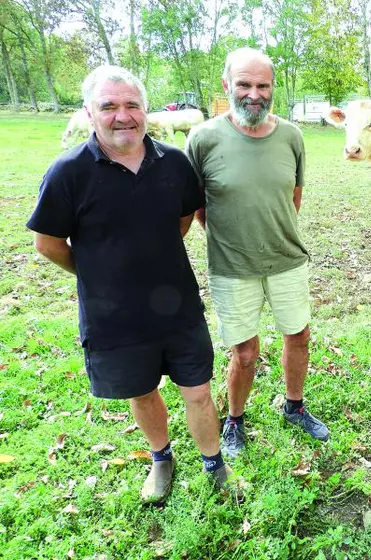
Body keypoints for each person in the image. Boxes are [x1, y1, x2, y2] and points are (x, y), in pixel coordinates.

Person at [26, 65, 235, 504]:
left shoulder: (174, 163)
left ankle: (214, 463)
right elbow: (47, 243)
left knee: (197, 390)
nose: (123, 116)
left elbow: (183, 219)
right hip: (112, 315)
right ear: (89, 112)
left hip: (177, 305)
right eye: (109, 106)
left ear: (145, 109)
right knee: (141, 391)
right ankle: (161, 458)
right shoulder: (68, 173)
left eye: (132, 105)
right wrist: (98, 271)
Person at [186, 47, 330, 458]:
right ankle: (234, 420)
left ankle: (295, 406)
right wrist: (233, 238)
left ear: (272, 88)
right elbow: (197, 206)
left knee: (298, 335)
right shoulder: (204, 138)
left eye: (262, 85)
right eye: (244, 84)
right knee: (245, 353)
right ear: (227, 85)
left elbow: (293, 197)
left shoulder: (292, 136)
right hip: (232, 267)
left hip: (286, 259)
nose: (254, 93)